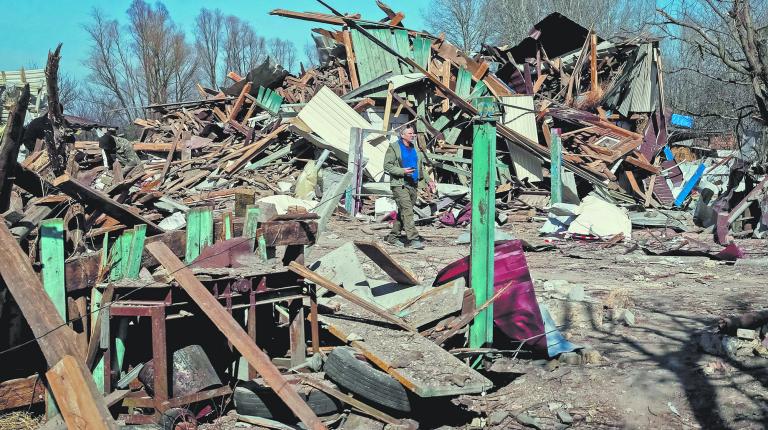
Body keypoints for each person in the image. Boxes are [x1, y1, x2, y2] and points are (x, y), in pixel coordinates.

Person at [383, 125, 435, 249]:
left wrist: (429, 180)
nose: (413, 135)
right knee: (408, 211)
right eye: (410, 133)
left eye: (413, 133)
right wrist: (402, 171)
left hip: (413, 184)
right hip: (400, 185)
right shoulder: (394, 148)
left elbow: (421, 168)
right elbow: (387, 166)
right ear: (402, 135)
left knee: (403, 212)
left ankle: (393, 237)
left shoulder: (415, 149)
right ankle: (414, 239)